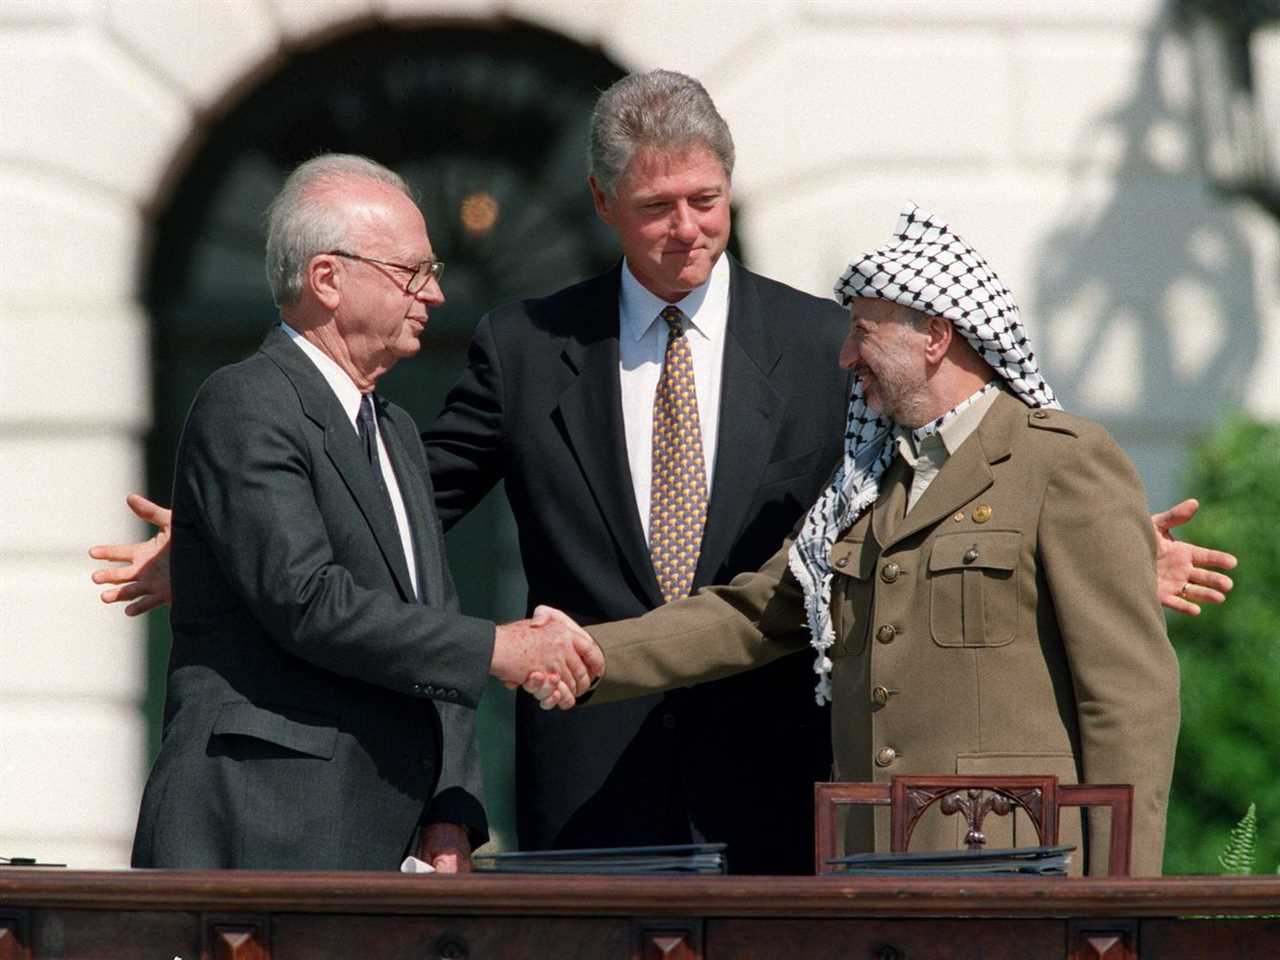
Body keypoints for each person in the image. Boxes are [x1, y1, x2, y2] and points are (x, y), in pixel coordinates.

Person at [93, 73, 1234, 874]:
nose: (686, 228)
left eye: (706, 201)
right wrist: (222, 541)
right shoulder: (527, 344)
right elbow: (393, 509)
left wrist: (1117, 548)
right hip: (593, 786)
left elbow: (955, 500)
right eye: (655, 207)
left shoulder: (811, 339)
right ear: (603, 207)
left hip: (794, 791)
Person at [553, 204, 1184, 876]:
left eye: (862, 333)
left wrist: (1123, 897)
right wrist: (586, 654)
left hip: (1014, 872)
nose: (846, 356)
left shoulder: (1059, 462)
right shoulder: (864, 485)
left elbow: (1126, 697)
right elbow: (753, 614)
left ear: (935, 336)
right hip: (870, 868)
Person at [127, 154, 600, 871]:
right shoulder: (246, 402)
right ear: (327, 278)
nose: (436, 294)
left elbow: (428, 613)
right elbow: (309, 600)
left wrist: (451, 809)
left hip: (382, 844)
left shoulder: (396, 432)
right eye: (412, 273)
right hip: (261, 832)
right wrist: (500, 648)